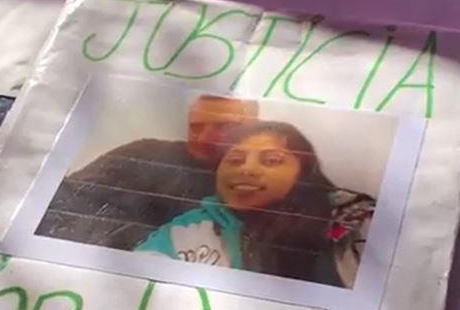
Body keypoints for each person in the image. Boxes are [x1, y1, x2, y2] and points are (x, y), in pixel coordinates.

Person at [35, 94, 258, 251]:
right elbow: (69, 197)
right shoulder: (146, 153)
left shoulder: (262, 184)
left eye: (223, 126)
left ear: (253, 126)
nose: (204, 138)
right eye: (196, 127)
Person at [135, 120, 344, 286]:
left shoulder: (345, 221)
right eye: (235, 160)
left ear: (304, 172)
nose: (246, 169)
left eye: (271, 160)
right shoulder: (186, 229)